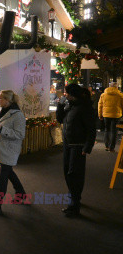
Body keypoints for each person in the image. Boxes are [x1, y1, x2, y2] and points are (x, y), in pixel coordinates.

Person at [56, 84, 96, 217]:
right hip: (68, 144)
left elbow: (91, 129)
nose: (64, 95)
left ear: (72, 94)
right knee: (67, 172)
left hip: (78, 145)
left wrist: (87, 147)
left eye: (66, 93)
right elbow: (60, 119)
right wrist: (60, 106)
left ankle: (74, 205)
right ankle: (74, 197)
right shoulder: (70, 106)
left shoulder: (84, 108)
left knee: (75, 174)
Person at [98, 82, 123, 152]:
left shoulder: (103, 95)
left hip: (106, 115)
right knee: (114, 131)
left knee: (107, 130)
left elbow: (100, 105)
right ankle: (112, 148)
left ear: (109, 87)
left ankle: (106, 146)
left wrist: (100, 115)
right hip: (116, 115)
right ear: (117, 87)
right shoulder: (120, 95)